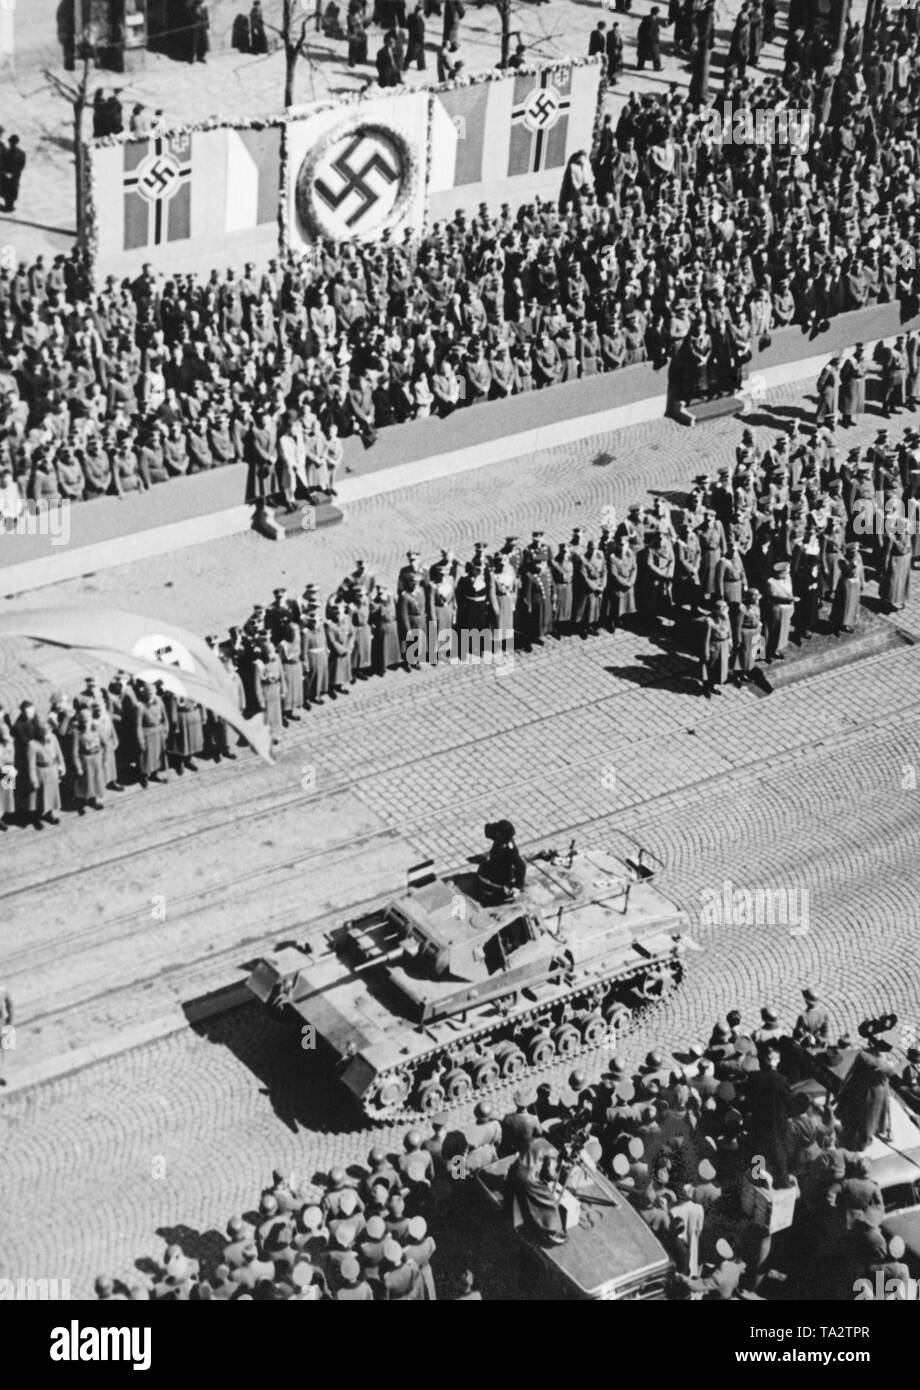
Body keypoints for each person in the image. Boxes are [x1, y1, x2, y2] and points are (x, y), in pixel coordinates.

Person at [476, 819, 525, 900]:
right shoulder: (499, 836)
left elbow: (522, 866)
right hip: (494, 864)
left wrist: (518, 886)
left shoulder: (510, 850)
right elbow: (488, 831)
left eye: (498, 833)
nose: (496, 833)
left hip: (501, 875)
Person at [1, 135, 25, 213]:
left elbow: (21, 165)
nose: (11, 144)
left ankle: (9, 206)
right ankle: (8, 205)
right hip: (7, 175)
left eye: (12, 142)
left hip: (13, 175)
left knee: (11, 191)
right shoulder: (8, 152)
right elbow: (3, 162)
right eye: (10, 142)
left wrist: (13, 173)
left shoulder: (20, 153)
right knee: (6, 190)